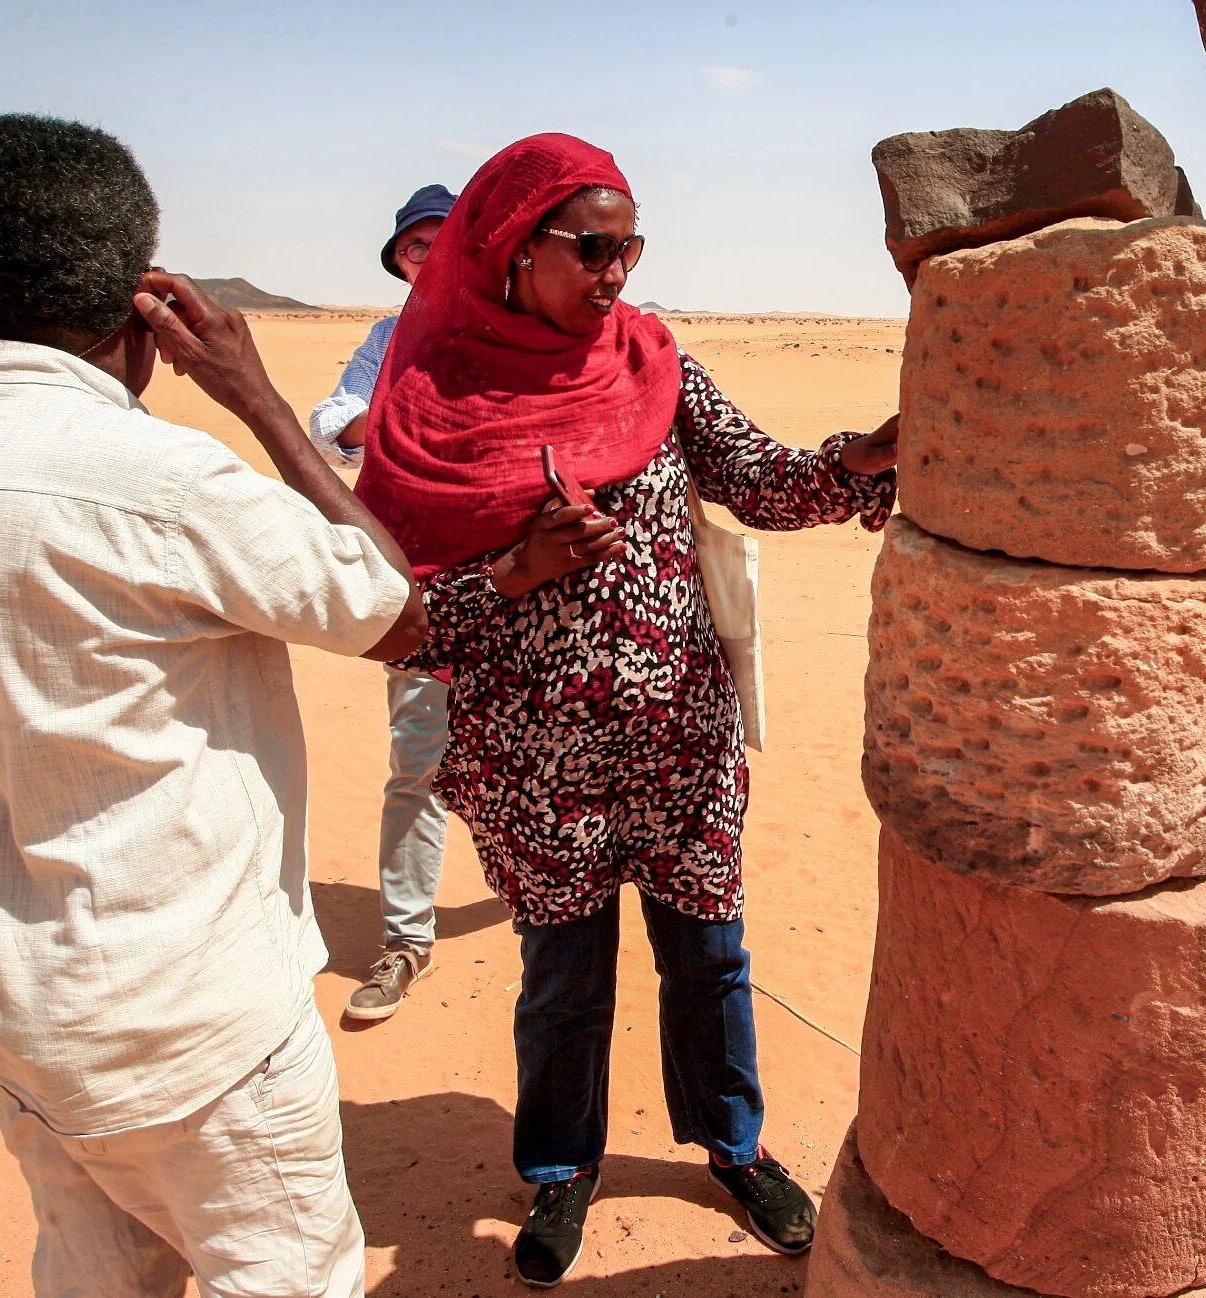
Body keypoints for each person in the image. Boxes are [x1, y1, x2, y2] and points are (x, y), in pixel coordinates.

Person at [0, 114, 427, 1298]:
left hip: (2, 1009)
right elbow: (391, 608)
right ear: (141, 297)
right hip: (199, 1027)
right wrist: (261, 402)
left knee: (91, 1264)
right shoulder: (165, 481)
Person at [353, 132, 898, 1287]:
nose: (616, 270)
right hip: (535, 757)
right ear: (509, 249)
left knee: (707, 956)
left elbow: (763, 478)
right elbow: (387, 613)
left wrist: (857, 456)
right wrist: (516, 569)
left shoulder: (656, 365)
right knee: (564, 974)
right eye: (591, 245)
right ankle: (557, 1170)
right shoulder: (435, 402)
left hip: (679, 739)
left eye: (629, 244)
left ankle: (732, 1147)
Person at [308, 182, 458, 1022]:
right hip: (426, 579)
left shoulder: (526, 326)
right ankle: (406, 940)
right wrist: (412, 409)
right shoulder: (388, 338)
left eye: (446, 239)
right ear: (399, 260)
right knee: (419, 765)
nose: (430, 256)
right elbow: (336, 420)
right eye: (414, 245)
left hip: (536, 578)